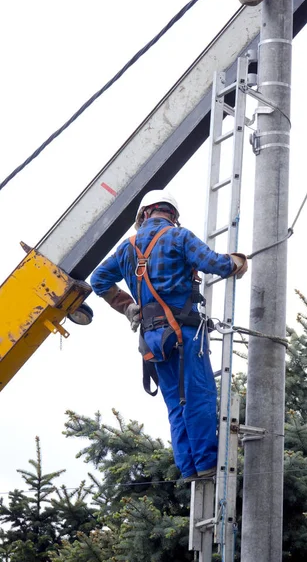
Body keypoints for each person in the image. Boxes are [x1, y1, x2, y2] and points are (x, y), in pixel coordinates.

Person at [90, 190, 247, 481]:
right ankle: (206, 464)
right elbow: (214, 264)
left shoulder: (127, 248)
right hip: (184, 333)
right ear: (172, 215)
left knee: (176, 402)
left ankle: (188, 468)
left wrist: (127, 306)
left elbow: (98, 279)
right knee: (198, 396)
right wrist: (237, 262)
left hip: (153, 339)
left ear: (144, 214)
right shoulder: (178, 237)